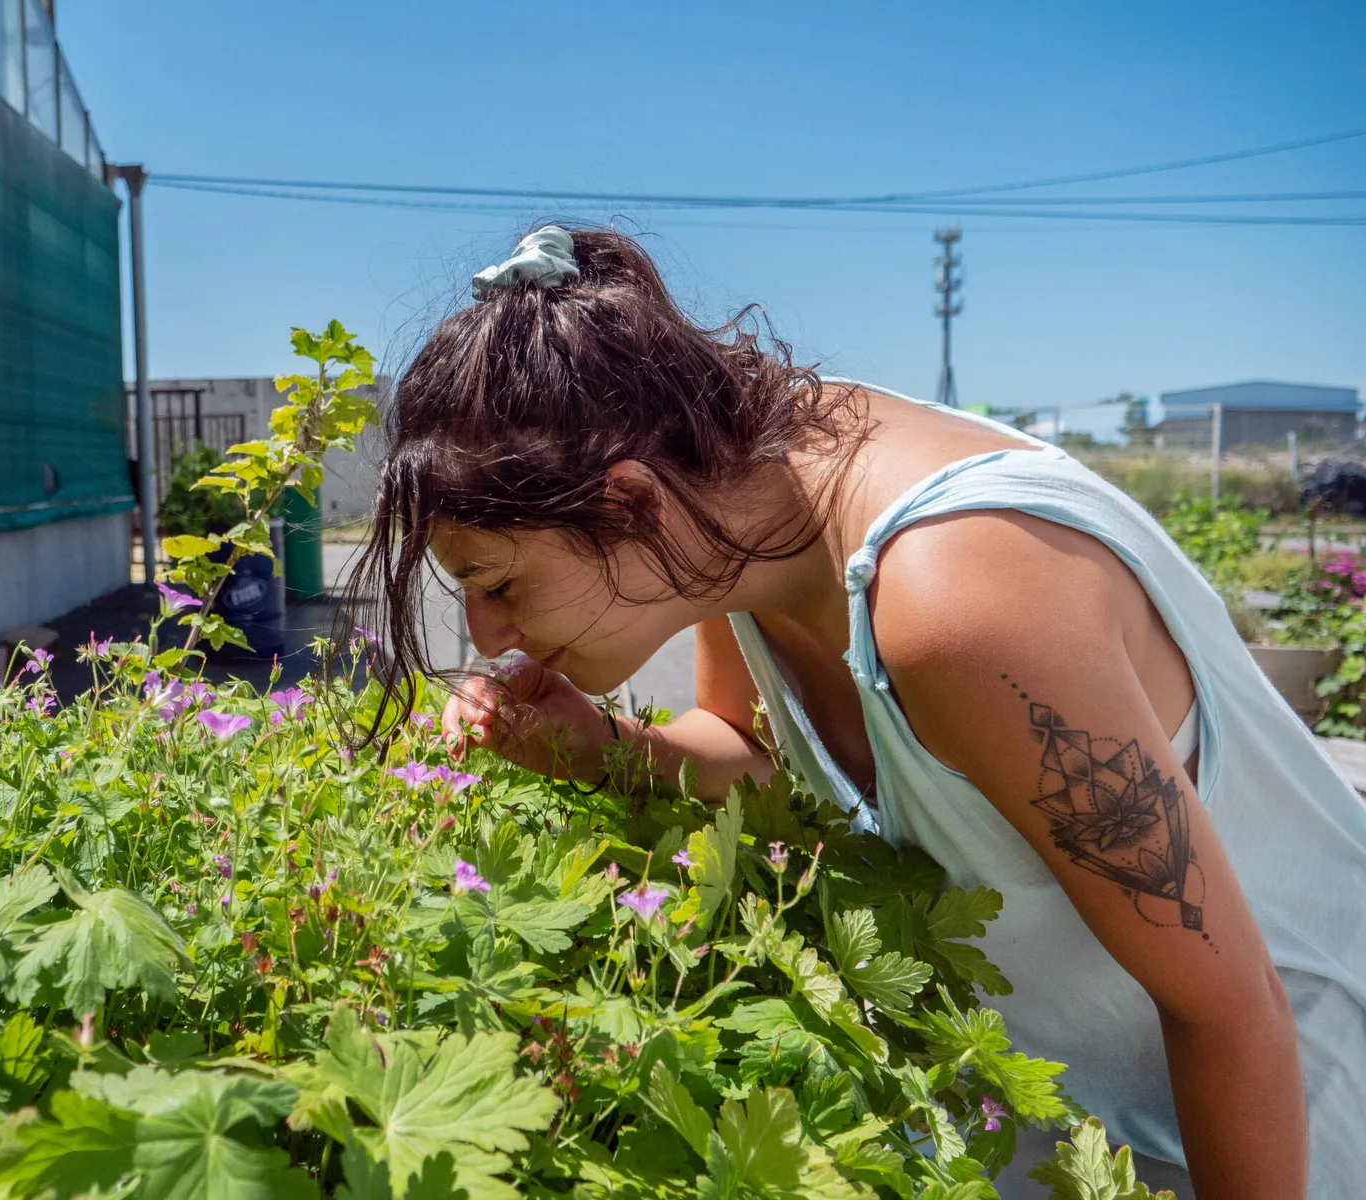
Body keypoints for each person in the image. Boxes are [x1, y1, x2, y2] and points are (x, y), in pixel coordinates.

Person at [353, 225, 1366, 1198]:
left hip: (1283, 1114)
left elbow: (1229, 1007)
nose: (491, 638)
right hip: (1094, 1121)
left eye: (498, 582)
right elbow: (749, 748)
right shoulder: (729, 511)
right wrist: (607, 747)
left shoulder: (957, 599)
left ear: (629, 504)